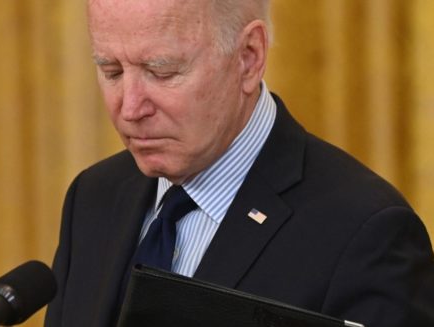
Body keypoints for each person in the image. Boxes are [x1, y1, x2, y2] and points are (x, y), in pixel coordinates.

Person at [45, 0, 434, 326]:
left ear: (249, 57)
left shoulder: (366, 233)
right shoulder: (93, 197)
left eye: (161, 72)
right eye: (111, 71)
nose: (129, 108)